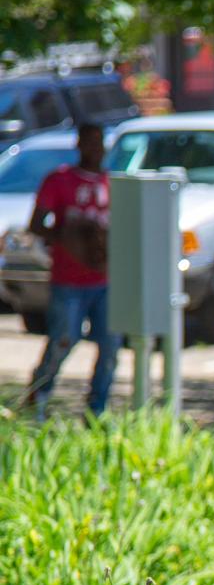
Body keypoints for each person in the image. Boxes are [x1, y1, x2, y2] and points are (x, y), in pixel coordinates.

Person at [25, 121, 122, 421]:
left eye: (99, 142)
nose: (95, 148)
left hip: (104, 280)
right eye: (89, 142)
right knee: (63, 340)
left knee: (110, 345)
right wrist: (69, 236)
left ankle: (97, 410)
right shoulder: (59, 180)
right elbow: (36, 225)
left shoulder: (112, 183)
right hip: (68, 281)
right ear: (78, 145)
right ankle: (39, 395)